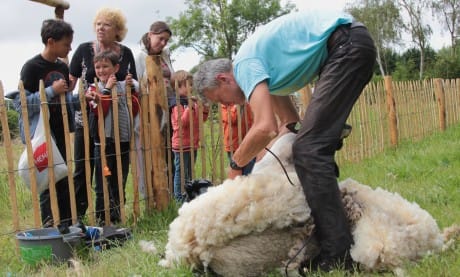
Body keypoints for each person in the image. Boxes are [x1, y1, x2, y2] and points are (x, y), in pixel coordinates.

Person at [193, 9, 376, 272]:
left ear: (224, 79)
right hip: (348, 45)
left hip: (346, 45)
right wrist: (264, 154)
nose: (228, 105)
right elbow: (289, 123)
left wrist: (235, 166)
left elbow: (264, 126)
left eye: (221, 99)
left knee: (309, 151)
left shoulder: (245, 65)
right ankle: (331, 232)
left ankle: (338, 253)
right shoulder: (265, 75)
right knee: (309, 145)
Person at [69, 7, 137, 221]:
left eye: (106, 24)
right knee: (83, 167)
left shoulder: (125, 53)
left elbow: (132, 84)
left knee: (112, 167)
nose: (100, 28)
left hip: (116, 122)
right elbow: (71, 82)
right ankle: (77, 217)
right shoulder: (82, 50)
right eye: (98, 23)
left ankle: (111, 215)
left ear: (117, 29)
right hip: (86, 117)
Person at [14, 19, 75, 229]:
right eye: (66, 44)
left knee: (64, 179)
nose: (70, 48)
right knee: (46, 182)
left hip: (60, 130)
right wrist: (50, 91)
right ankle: (50, 226)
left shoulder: (62, 67)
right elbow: (22, 105)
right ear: (51, 41)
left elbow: (66, 100)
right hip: (41, 135)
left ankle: (67, 224)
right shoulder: (31, 68)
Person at [86, 50, 139, 225]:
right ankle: (103, 218)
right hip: (104, 145)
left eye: (105, 66)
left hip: (122, 142)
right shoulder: (93, 89)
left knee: (119, 178)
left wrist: (132, 90)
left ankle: (116, 216)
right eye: (97, 67)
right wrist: (107, 89)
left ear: (116, 68)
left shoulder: (124, 86)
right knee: (104, 181)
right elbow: (101, 109)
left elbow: (134, 109)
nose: (101, 71)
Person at [135, 21, 175, 195]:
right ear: (150, 34)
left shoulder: (166, 55)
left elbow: (172, 77)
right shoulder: (139, 56)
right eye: (160, 39)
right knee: (150, 152)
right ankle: (149, 194)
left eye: (166, 40)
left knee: (167, 151)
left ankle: (169, 191)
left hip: (167, 109)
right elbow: (136, 82)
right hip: (149, 110)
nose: (163, 43)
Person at [170, 70, 209, 201]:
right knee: (180, 174)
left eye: (191, 84)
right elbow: (182, 123)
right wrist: (189, 108)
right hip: (181, 145)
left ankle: (188, 196)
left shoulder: (190, 102)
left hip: (192, 144)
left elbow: (200, 120)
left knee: (189, 172)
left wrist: (205, 109)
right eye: (188, 85)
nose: (191, 88)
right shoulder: (177, 104)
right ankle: (179, 198)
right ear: (178, 87)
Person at [221, 103, 255, 175]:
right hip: (233, 144)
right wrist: (236, 107)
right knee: (237, 171)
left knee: (249, 171)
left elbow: (251, 121)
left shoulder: (246, 104)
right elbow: (232, 119)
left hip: (247, 143)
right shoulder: (224, 105)